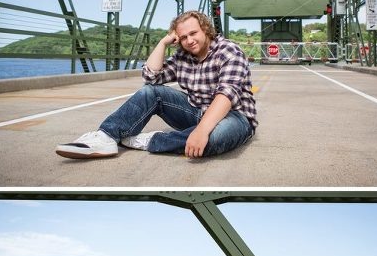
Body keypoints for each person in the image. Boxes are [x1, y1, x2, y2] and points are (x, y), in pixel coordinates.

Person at [56, 10, 257, 159]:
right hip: (196, 112)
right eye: (184, 37)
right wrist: (163, 42)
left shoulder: (229, 51)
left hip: (235, 117)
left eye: (193, 33)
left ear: (206, 30)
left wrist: (202, 131)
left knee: (213, 138)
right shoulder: (182, 56)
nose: (189, 40)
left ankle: (153, 140)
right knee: (151, 93)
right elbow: (150, 78)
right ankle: (106, 137)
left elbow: (226, 96)